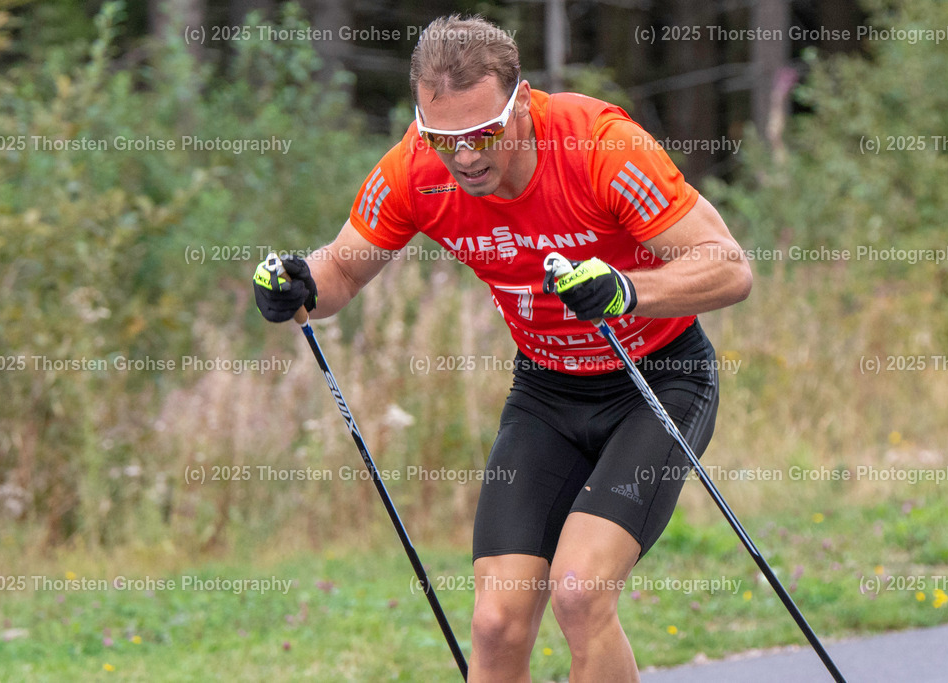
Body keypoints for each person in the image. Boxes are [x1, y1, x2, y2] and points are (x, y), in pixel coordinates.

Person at [254, 14, 751, 683]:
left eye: (483, 132)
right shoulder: (415, 170)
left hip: (656, 379)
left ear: (521, 102)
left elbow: (727, 267)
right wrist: (298, 286)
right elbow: (340, 271)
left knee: (579, 592)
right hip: (548, 391)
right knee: (495, 622)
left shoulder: (599, 147)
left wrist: (625, 289)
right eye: (443, 138)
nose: (464, 157)